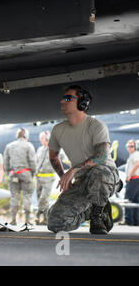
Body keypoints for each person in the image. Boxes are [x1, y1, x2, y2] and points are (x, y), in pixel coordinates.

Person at [47, 85, 120, 234]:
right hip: (83, 182)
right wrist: (65, 179)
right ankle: (92, 210)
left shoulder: (96, 126)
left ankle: (98, 216)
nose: (62, 101)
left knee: (99, 172)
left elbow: (102, 157)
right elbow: (53, 157)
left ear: (82, 103)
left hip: (106, 177)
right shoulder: (58, 130)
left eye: (68, 98)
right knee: (55, 222)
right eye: (63, 98)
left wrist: (73, 170)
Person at [3, 128, 37, 225]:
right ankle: (27, 220)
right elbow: (33, 162)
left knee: (14, 196)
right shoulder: (29, 146)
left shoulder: (9, 146)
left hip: (13, 174)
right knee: (27, 196)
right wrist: (33, 173)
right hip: (26, 174)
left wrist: (8, 172)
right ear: (26, 135)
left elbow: (5, 162)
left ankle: (13, 219)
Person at [35, 131, 66, 225]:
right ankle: (45, 219)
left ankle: (38, 213)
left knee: (43, 198)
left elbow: (62, 158)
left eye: (43, 138)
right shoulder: (40, 149)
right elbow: (37, 162)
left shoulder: (56, 149)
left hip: (48, 178)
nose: (41, 140)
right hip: (38, 179)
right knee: (42, 198)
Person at [124, 139, 139, 226]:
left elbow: (137, 164)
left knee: (128, 200)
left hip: (134, 179)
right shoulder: (133, 155)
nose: (129, 148)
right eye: (128, 146)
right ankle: (135, 221)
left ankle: (129, 220)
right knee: (136, 201)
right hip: (136, 179)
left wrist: (130, 175)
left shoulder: (135, 155)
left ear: (135, 147)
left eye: (132, 146)